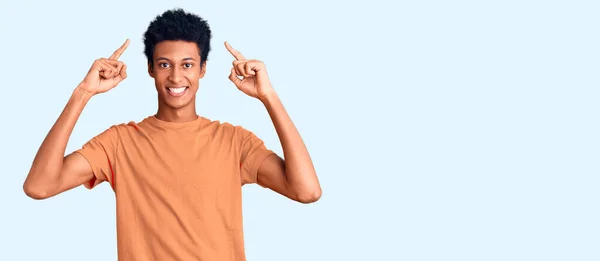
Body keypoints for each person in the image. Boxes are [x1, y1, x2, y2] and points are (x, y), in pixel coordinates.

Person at [22, 8, 321, 261]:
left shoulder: (234, 142)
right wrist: (83, 93)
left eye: (187, 65)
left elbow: (306, 191)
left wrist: (268, 96)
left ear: (202, 69)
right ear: (150, 69)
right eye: (165, 64)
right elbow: (39, 186)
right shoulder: (119, 143)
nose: (176, 77)